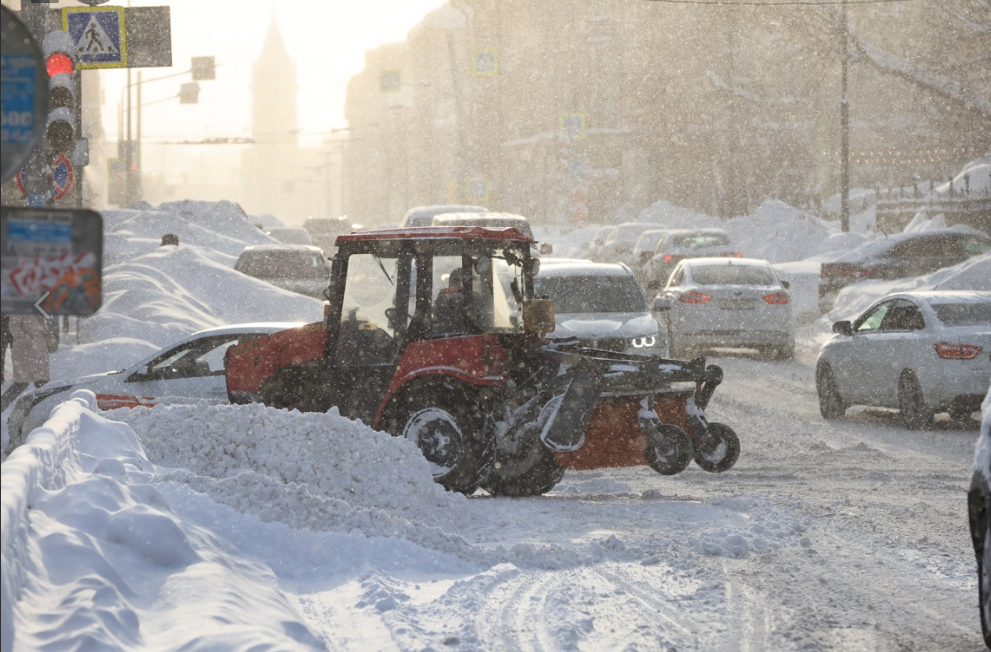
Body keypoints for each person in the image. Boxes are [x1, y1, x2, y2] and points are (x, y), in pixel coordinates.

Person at [0, 314, 51, 413]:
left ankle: (40, 413)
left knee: (42, 385)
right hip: (23, 352)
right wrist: (28, 339)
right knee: (20, 384)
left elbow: (42, 327)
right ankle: (3, 407)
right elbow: (14, 327)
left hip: (39, 352)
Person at [433, 268, 465, 334]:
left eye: (463, 280)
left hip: (467, 334)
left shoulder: (473, 298)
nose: (460, 284)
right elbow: (437, 315)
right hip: (444, 335)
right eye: (456, 280)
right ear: (450, 283)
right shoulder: (444, 294)